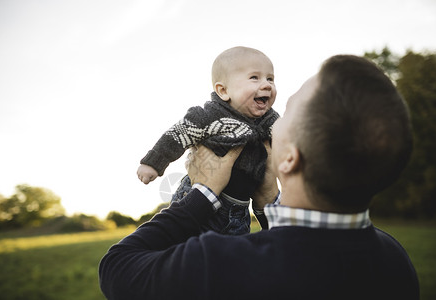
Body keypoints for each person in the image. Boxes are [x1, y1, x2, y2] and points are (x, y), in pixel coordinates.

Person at [100, 55, 419, 299]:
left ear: (290, 158)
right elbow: (295, 252)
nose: (272, 119)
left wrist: (203, 193)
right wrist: (267, 201)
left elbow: (117, 267)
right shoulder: (395, 260)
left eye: (288, 111)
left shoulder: (216, 262)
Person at [137, 46, 279, 234]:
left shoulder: (269, 120)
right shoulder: (210, 115)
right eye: (254, 78)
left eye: (270, 79)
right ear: (223, 91)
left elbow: (291, 140)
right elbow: (177, 135)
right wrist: (153, 163)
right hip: (198, 197)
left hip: (239, 209)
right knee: (188, 249)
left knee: (231, 255)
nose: (267, 84)